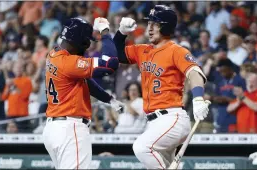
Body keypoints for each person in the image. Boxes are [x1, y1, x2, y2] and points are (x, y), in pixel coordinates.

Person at [113, 5, 211, 169]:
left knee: (141, 147)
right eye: (149, 23)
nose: (149, 28)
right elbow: (116, 54)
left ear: (165, 26)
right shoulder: (142, 50)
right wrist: (120, 33)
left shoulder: (176, 51)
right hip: (153, 122)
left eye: (155, 24)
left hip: (172, 118)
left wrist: (198, 98)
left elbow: (195, 73)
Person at [42, 17, 123, 169]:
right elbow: (109, 64)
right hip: (70, 129)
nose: (88, 45)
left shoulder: (53, 54)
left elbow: (84, 81)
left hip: (54, 129)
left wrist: (109, 99)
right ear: (80, 41)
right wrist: (105, 32)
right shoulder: (68, 63)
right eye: (87, 41)